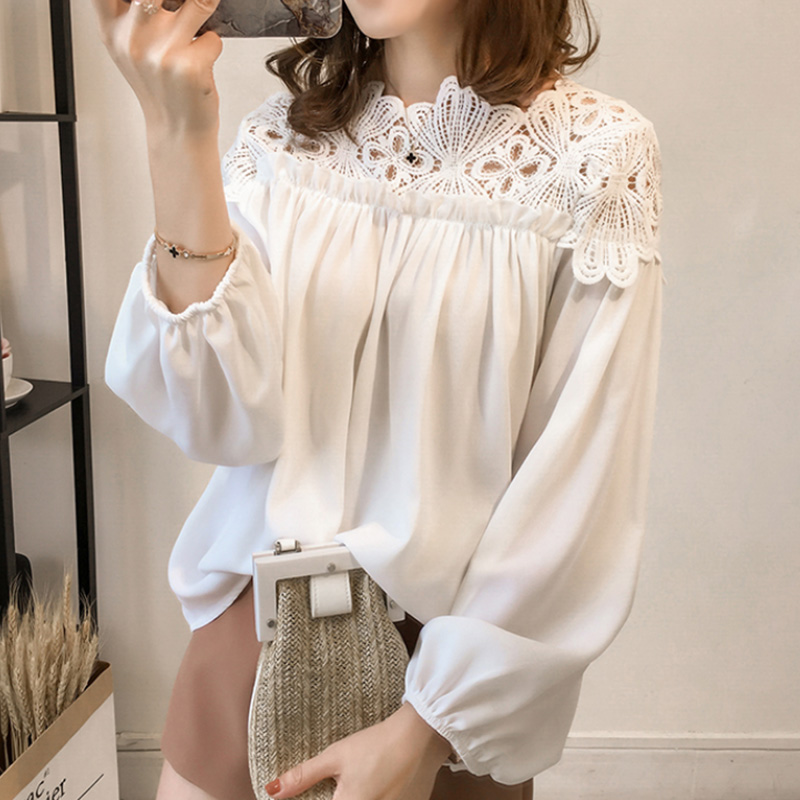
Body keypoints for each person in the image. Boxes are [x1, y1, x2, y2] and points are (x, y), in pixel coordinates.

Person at [92, 0, 664, 798]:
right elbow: (219, 420)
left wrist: (424, 730)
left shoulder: (595, 157)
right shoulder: (280, 141)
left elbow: (576, 492)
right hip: (242, 667)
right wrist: (174, 129)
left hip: (439, 705)